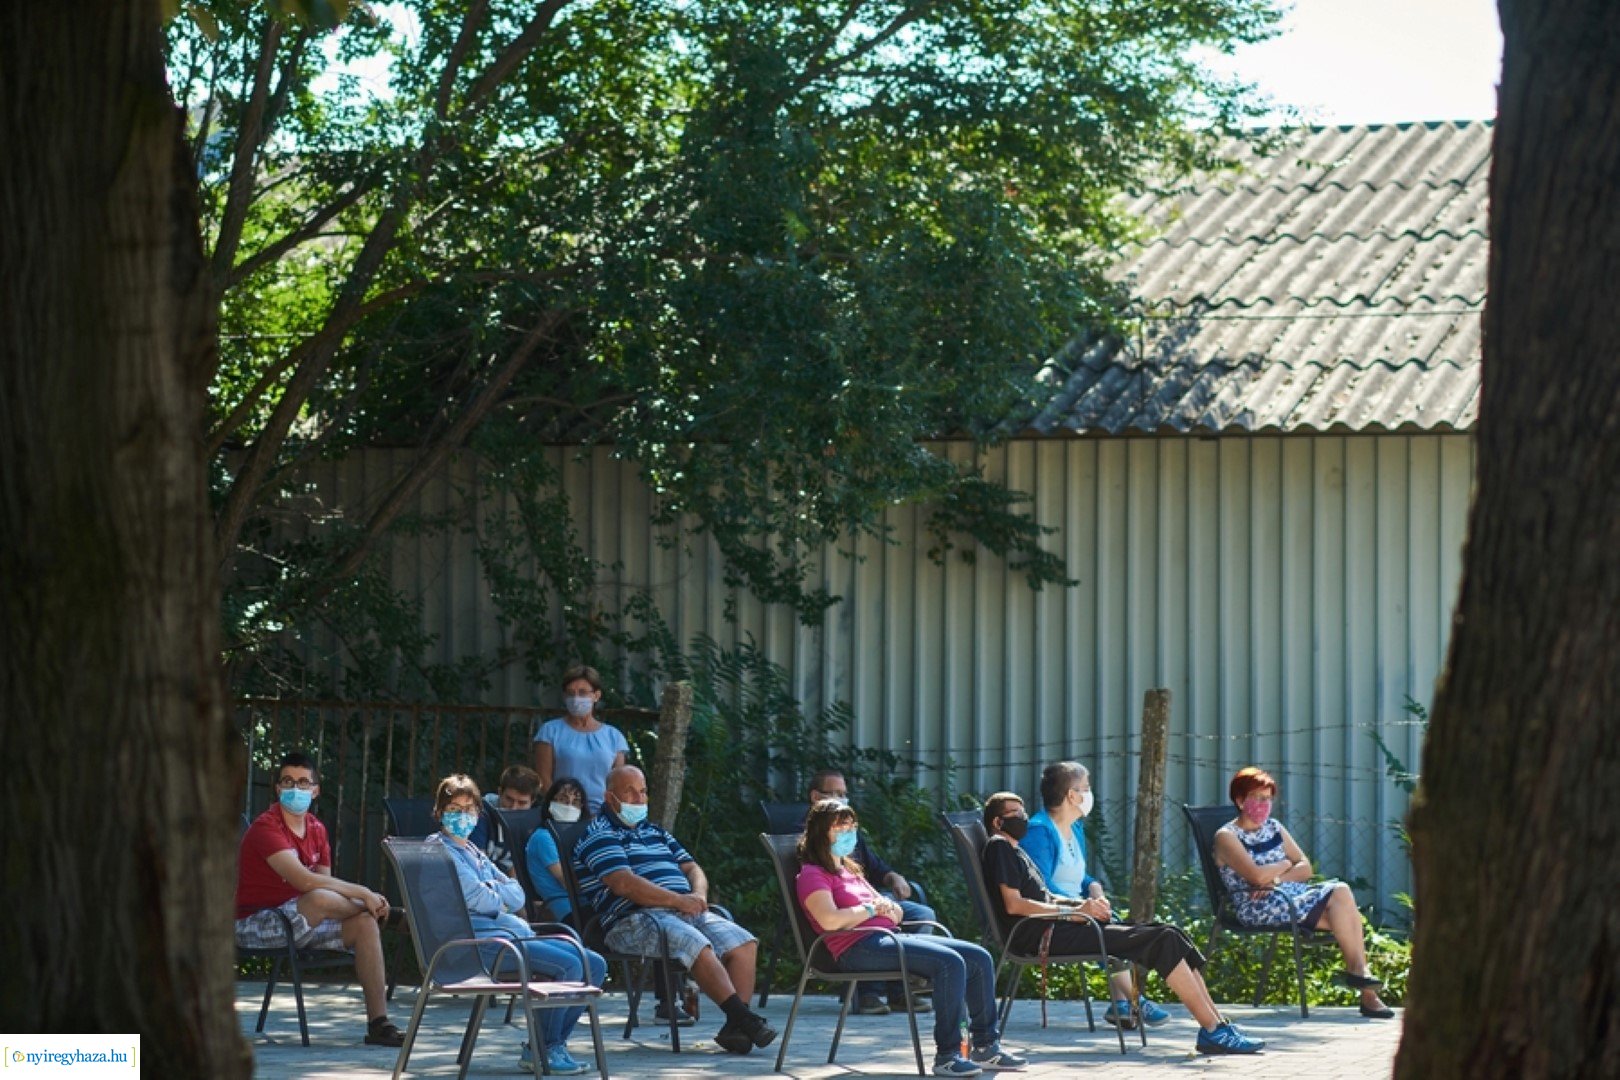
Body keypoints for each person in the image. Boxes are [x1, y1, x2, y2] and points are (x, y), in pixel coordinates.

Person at [980, 791, 1264, 1055]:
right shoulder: (999, 847)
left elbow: (1047, 896)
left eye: (1023, 811)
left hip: (1059, 927)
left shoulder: (1016, 850)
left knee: (1170, 933)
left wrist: (1083, 906)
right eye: (1014, 813)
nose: (1023, 817)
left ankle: (1218, 1024)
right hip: (1044, 935)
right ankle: (1213, 1031)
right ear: (997, 821)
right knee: (1162, 939)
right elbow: (1014, 904)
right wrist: (1072, 913)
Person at [797, 800, 1028, 1077]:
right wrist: (871, 909)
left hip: (886, 936)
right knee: (949, 963)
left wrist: (887, 908)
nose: (848, 832)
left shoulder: (850, 870)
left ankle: (986, 1047)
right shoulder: (812, 875)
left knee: (978, 956)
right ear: (821, 832)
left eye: (852, 825)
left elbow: (893, 911)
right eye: (840, 826)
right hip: (857, 947)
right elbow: (830, 919)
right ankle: (948, 1055)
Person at [573, 764, 776, 1055]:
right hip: (634, 919)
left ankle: (736, 1029)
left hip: (683, 910)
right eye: (629, 792)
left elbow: (692, 866)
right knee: (696, 944)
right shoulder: (599, 834)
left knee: (744, 942)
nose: (639, 799)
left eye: (643, 792)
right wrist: (679, 901)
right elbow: (623, 884)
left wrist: (697, 894)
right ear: (610, 797)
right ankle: (745, 1019)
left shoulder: (655, 831)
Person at [427, 773, 608, 1075]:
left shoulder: (473, 851)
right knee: (571, 966)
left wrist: (492, 893)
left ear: (478, 813)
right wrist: (496, 894)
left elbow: (518, 893)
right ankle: (545, 1049)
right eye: (454, 809)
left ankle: (549, 1045)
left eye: (469, 810)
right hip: (478, 946)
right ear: (439, 813)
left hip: (511, 936)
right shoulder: (439, 851)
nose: (463, 816)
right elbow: (480, 898)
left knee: (596, 963)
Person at [235, 751, 404, 1047]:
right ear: (277, 788)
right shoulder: (267, 827)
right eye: (287, 781)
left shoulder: (316, 828)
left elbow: (327, 888)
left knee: (364, 923)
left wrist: (361, 907)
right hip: (257, 922)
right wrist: (365, 895)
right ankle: (383, 913)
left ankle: (379, 1024)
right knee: (321, 899)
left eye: (303, 783)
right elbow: (306, 881)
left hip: (303, 919)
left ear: (316, 790)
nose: (295, 789)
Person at [1213, 766, 1393, 1019]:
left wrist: (1275, 877)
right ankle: (1365, 986)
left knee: (1342, 907)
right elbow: (1254, 876)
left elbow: (1305, 867)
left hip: (1287, 896)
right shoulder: (1227, 837)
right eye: (1258, 798)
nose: (1265, 805)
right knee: (1341, 899)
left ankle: (1363, 982)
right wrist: (1286, 864)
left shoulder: (1274, 827)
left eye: (1268, 799)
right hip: (1256, 907)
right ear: (1240, 800)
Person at [1019, 761, 1168, 1029]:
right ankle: (1134, 1000)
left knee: (1116, 925)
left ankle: (1122, 1004)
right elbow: (1040, 887)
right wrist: (1083, 906)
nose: (1089, 794)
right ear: (1071, 795)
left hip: (1081, 912)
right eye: (1085, 788)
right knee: (1110, 931)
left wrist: (1095, 889)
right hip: (1053, 919)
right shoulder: (1039, 832)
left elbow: (1078, 876)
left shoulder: (1075, 828)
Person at [806, 768, 936, 1016]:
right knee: (946, 959)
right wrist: (871, 908)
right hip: (851, 920)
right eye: (833, 793)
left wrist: (893, 882)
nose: (840, 798)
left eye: (843, 793)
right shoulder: (811, 843)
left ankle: (901, 992)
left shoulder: (849, 848)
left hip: (873, 906)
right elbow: (827, 908)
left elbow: (876, 868)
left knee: (924, 916)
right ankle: (870, 994)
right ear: (815, 796)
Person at [533, 664, 629, 815]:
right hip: (563, 813)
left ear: (596, 695)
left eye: (583, 692)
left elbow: (618, 783)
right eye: (571, 693)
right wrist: (563, 807)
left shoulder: (614, 737)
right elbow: (543, 779)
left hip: (603, 816)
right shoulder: (549, 732)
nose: (576, 698)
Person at [525, 777, 590, 923]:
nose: (569, 806)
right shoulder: (543, 838)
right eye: (563, 799)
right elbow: (568, 883)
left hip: (587, 904)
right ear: (550, 803)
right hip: (569, 911)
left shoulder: (578, 835)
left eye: (575, 802)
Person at [469, 763, 542, 874]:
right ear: (499, 792)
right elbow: (477, 865)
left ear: (532, 802)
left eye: (522, 803)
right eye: (509, 799)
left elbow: (516, 869)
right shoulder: (480, 814)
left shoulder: (532, 823)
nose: (514, 807)